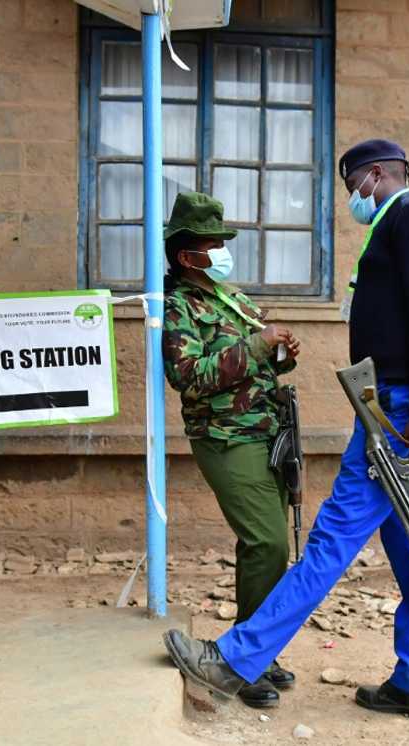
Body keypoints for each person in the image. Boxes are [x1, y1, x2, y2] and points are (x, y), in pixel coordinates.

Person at [162, 140, 409, 722]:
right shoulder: (400, 221)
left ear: (377, 175)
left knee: (330, 541)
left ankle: (231, 662)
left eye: (354, 186)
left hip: (398, 414)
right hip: (392, 405)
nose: (354, 198)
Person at [161, 191, 302, 709]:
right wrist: (258, 346)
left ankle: (253, 649)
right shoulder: (178, 307)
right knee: (268, 542)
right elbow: (188, 376)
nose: (223, 251)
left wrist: (281, 355)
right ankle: (246, 662)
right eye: (213, 243)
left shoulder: (233, 297)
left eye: (223, 242)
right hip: (225, 437)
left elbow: (259, 362)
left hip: (267, 433)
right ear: (186, 256)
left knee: (263, 546)